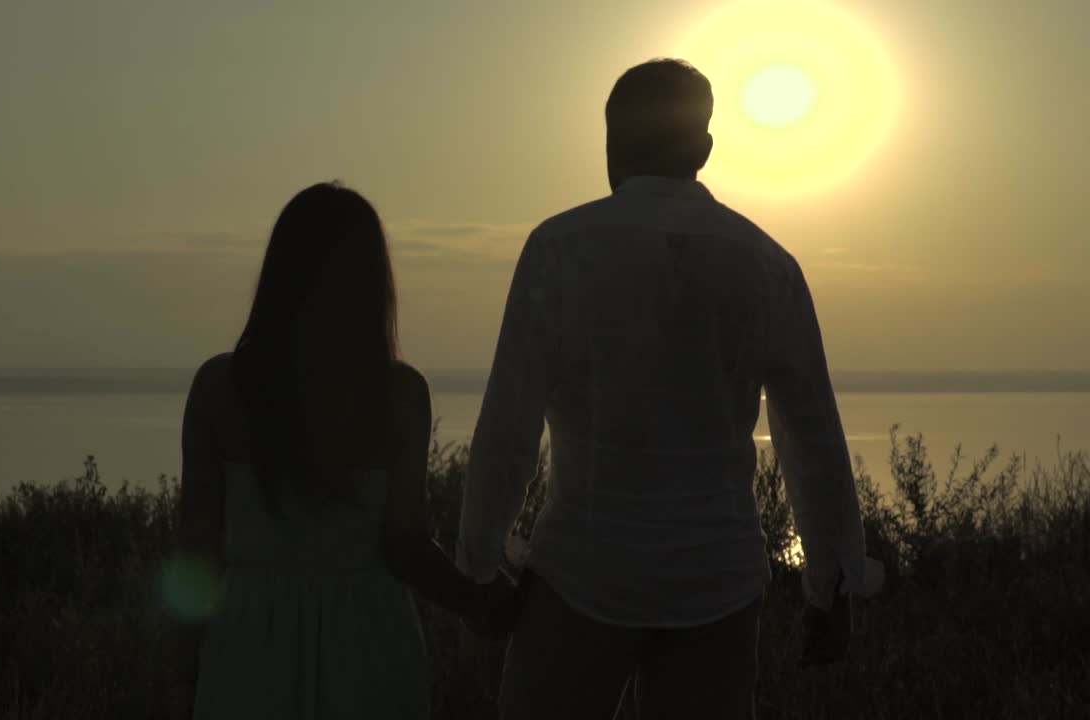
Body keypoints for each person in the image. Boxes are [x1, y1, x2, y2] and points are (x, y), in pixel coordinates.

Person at [455, 59, 883, 719]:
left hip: (581, 573)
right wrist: (831, 586)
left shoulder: (559, 249)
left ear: (610, 140)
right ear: (705, 148)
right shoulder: (767, 264)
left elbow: (510, 423)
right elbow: (811, 436)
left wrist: (479, 565)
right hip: (718, 582)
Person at [169, 182, 518, 720]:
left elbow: (196, 551)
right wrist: (478, 602)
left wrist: (175, 677)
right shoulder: (400, 396)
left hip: (249, 645)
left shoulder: (219, 389)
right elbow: (403, 544)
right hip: (370, 642)